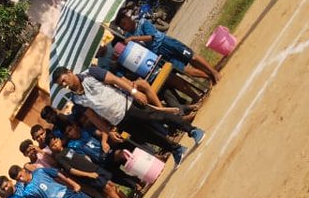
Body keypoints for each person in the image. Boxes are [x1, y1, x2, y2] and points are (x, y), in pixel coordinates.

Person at [53, 67, 204, 165]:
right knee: (148, 136)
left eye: (64, 80)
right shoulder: (76, 99)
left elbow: (114, 79)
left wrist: (134, 92)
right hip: (118, 120)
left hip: (128, 105)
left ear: (70, 72)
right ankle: (176, 149)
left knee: (160, 116)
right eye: (61, 84)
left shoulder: (91, 73)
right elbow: (92, 117)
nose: (65, 85)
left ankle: (193, 131)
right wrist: (108, 131)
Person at [115, 9, 219, 87]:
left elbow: (151, 37)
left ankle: (213, 72)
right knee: (184, 70)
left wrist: (135, 38)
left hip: (166, 43)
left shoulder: (142, 22)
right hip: (159, 55)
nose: (125, 27)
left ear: (128, 18)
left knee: (192, 57)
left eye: (124, 23)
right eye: (122, 27)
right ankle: (208, 76)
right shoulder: (128, 37)